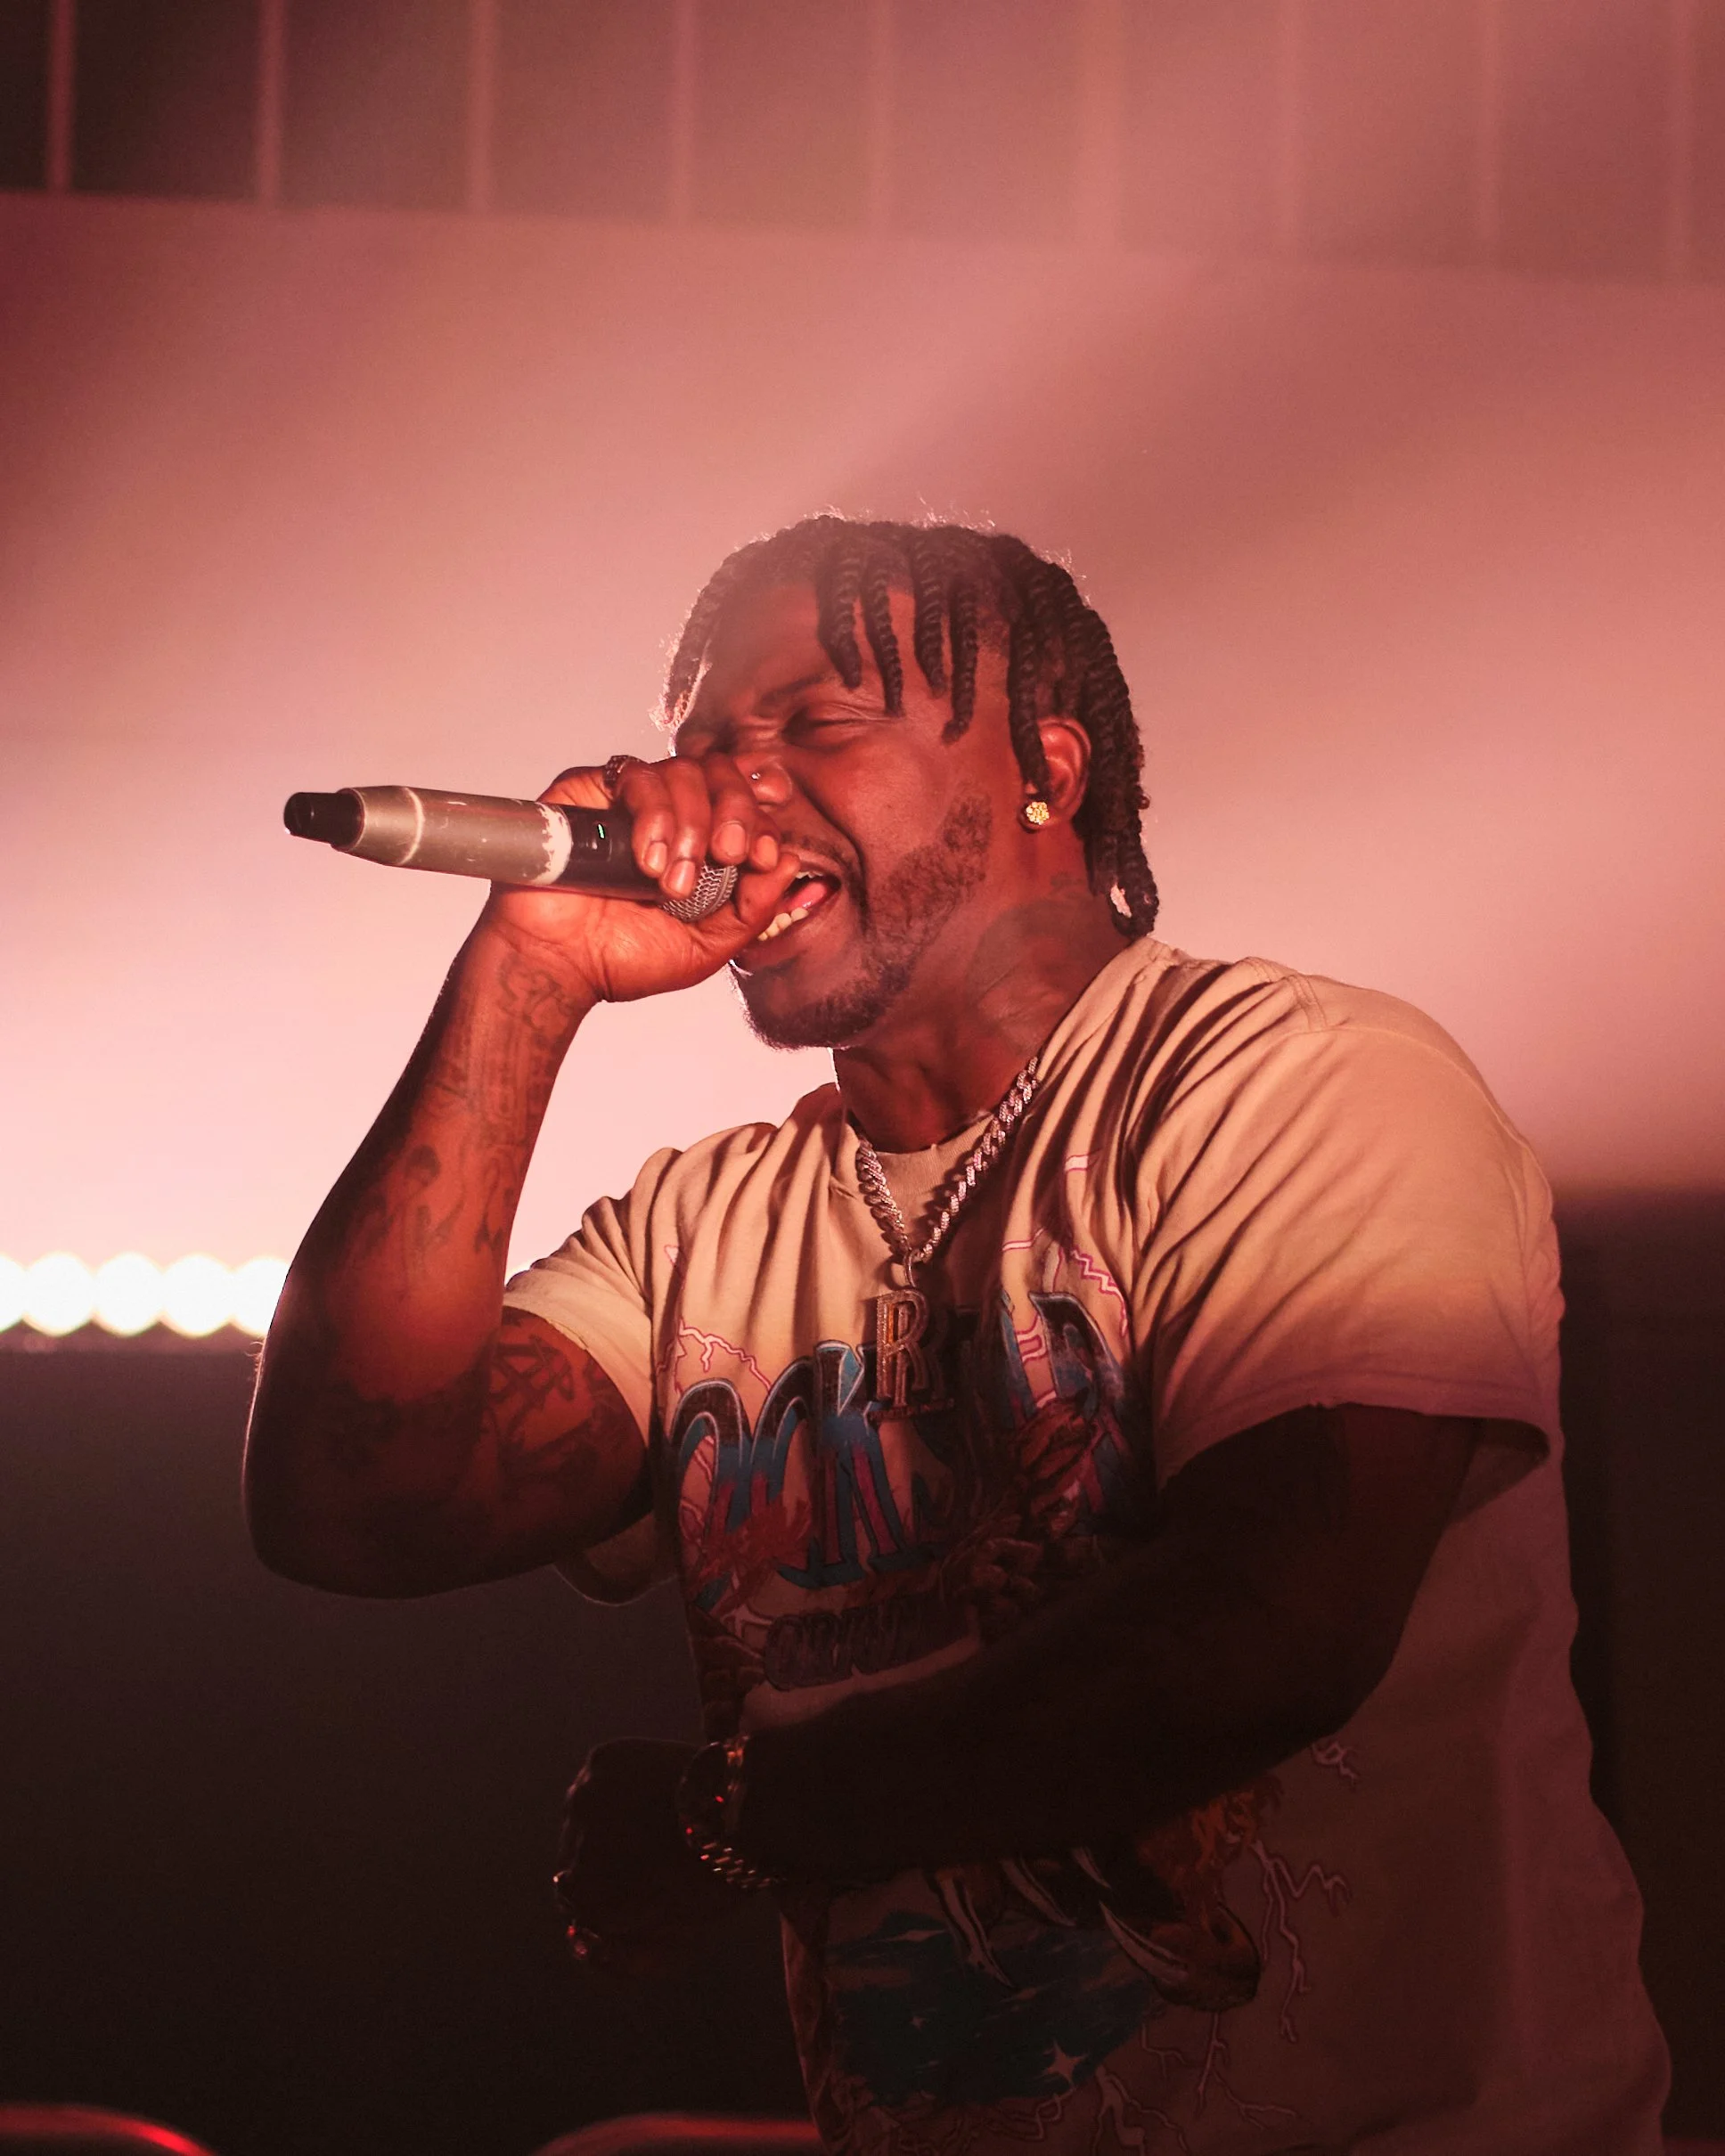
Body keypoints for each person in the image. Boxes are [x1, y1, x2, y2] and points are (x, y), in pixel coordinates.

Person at [245, 516, 1668, 2155]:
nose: (732, 793)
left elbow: (1267, 1628)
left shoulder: (1293, 1081)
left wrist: (740, 1822)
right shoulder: (709, 1223)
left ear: (1047, 771)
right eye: (709, 746)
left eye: (814, 729)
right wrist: (530, 965)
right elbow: (351, 1501)